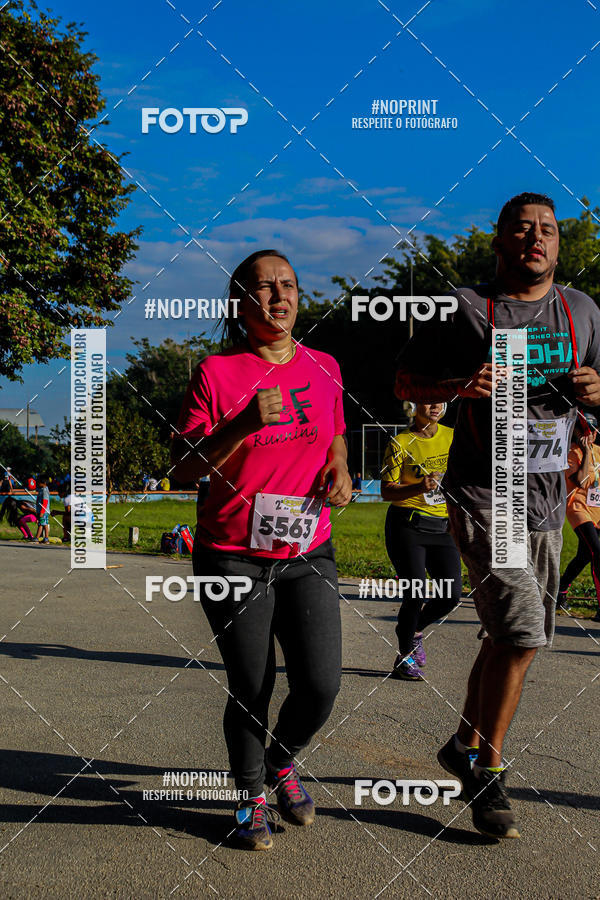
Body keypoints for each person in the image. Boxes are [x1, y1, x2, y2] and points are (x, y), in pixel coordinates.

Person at [394, 192, 600, 839]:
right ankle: (488, 770)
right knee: (520, 632)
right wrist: (456, 388)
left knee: (514, 634)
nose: (535, 239)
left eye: (547, 230)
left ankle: (462, 743)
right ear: (499, 241)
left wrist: (595, 405)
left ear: (558, 244)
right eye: (521, 228)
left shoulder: (582, 311)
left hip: (545, 497)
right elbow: (404, 383)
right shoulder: (466, 308)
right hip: (486, 494)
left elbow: (592, 404)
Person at [171, 248, 351, 852]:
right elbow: (181, 469)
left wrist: (341, 473)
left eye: (288, 285)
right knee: (253, 682)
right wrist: (244, 422)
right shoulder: (216, 373)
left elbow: (336, 440)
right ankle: (249, 795)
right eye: (264, 288)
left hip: (308, 548)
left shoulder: (324, 366)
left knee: (321, 684)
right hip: (232, 553)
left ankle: (281, 761)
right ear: (240, 303)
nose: (278, 296)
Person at [381, 402, 461, 679]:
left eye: (440, 401)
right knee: (415, 594)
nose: (435, 406)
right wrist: (418, 486)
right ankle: (403, 657)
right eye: (428, 401)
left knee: (450, 596)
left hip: (444, 528)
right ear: (413, 407)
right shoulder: (401, 441)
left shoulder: (453, 436)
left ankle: (414, 631)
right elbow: (386, 491)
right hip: (407, 526)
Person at [557, 411, 600, 621]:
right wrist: (585, 451)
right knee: (597, 552)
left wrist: (592, 450)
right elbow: (581, 481)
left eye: (590, 430)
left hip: (597, 510)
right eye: (583, 430)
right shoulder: (572, 454)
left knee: (585, 555)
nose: (587, 434)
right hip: (578, 508)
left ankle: (560, 589)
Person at [35, 476, 50, 543]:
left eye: (39, 482)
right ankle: (39, 537)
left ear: (44, 483)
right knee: (41, 523)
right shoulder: (41, 489)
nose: (38, 483)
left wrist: (42, 511)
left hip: (44, 511)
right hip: (40, 510)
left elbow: (45, 501)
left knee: (43, 524)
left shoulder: (45, 490)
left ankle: (45, 538)